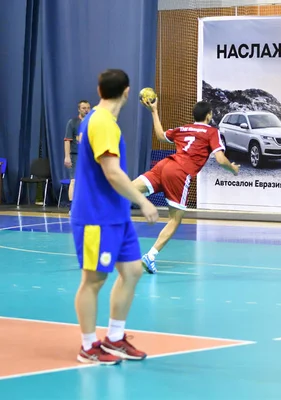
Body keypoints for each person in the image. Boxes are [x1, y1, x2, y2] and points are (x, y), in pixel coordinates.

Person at [71, 69, 159, 364]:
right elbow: (111, 172)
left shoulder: (102, 121)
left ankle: (115, 339)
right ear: (127, 92)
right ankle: (87, 346)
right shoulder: (102, 123)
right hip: (96, 216)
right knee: (93, 280)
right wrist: (142, 201)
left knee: (132, 272)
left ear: (99, 90)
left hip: (116, 215)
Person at [134, 98, 240, 274]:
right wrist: (233, 168)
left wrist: (154, 111)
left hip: (164, 165)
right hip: (179, 173)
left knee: (128, 189)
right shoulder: (212, 132)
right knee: (175, 219)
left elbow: (160, 136)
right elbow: (221, 160)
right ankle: (150, 256)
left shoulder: (183, 129)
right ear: (209, 115)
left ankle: (99, 206)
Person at [64, 100, 91, 207]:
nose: (86, 110)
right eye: (84, 108)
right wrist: (67, 157)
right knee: (74, 181)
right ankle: (73, 206)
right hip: (76, 156)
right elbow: (67, 140)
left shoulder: (92, 122)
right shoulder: (73, 123)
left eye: (88, 108)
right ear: (79, 109)